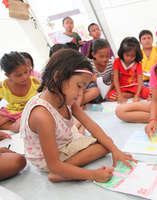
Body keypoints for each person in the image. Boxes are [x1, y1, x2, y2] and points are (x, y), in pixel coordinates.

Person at [19, 49, 136, 182]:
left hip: (62, 142)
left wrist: (115, 150)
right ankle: (61, 173)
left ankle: (65, 169)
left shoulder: (63, 96)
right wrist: (93, 174)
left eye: (84, 88)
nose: (81, 94)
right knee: (103, 146)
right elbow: (53, 164)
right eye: (79, 86)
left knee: (107, 142)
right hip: (49, 159)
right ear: (58, 77)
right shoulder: (42, 115)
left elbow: (91, 125)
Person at [0, 52, 40, 135]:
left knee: (20, 125)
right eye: (19, 75)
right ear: (8, 75)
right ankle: (11, 127)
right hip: (11, 111)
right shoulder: (3, 87)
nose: (25, 77)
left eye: (26, 72)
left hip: (27, 111)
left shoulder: (35, 83)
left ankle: (13, 127)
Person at [107, 37, 150, 103]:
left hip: (135, 87)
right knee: (110, 96)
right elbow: (115, 79)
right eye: (127, 55)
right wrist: (120, 95)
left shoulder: (138, 64)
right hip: (122, 88)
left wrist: (137, 95)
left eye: (132, 56)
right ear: (122, 52)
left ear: (136, 55)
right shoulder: (117, 61)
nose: (129, 58)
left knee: (151, 92)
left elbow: (140, 81)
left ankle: (130, 95)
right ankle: (130, 95)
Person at [80, 39, 114, 104]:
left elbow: (113, 82)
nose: (105, 59)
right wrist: (93, 80)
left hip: (107, 91)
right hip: (94, 90)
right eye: (101, 56)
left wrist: (107, 93)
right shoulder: (88, 64)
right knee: (93, 87)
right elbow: (83, 83)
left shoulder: (111, 64)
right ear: (93, 54)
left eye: (107, 56)